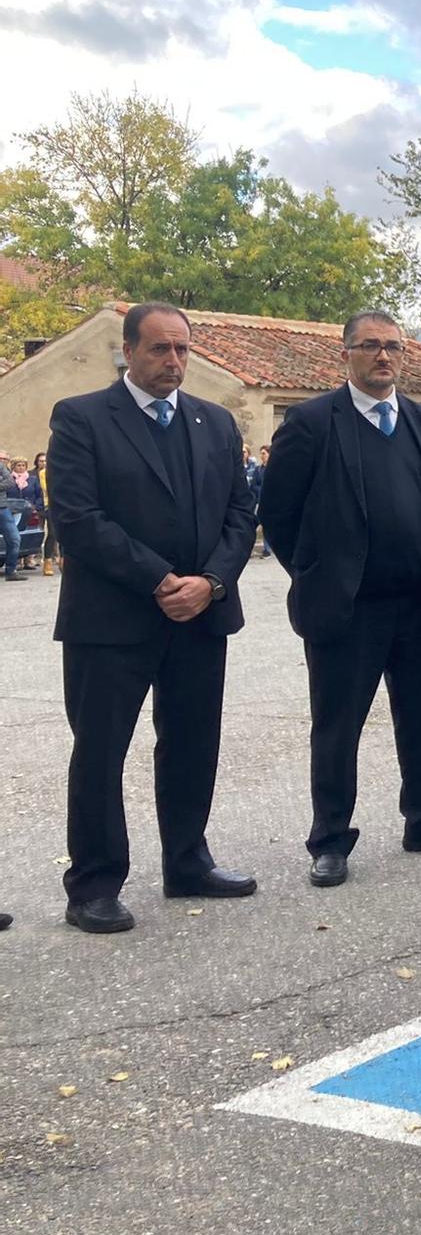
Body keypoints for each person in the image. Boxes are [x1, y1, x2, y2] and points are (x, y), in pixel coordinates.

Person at [47, 301, 259, 933]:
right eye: (160, 349)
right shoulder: (82, 419)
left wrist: (212, 583)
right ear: (128, 351)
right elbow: (79, 520)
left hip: (201, 615)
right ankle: (93, 884)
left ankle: (187, 861)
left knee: (194, 743)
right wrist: (161, 580)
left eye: (183, 350)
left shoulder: (215, 422)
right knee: (100, 752)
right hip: (111, 622)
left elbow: (240, 516)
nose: (174, 361)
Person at [257, 310, 421, 889]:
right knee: (337, 727)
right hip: (348, 607)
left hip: (419, 602)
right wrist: (314, 574)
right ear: (346, 355)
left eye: (393, 348)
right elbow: (279, 515)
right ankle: (330, 840)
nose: (384, 357)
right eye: (370, 347)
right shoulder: (311, 422)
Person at [35, 451, 55, 574]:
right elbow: (47, 488)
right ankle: (47, 561)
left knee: (65, 534)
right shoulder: (43, 473)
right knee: (53, 533)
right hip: (51, 505)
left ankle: (63, 560)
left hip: (65, 505)